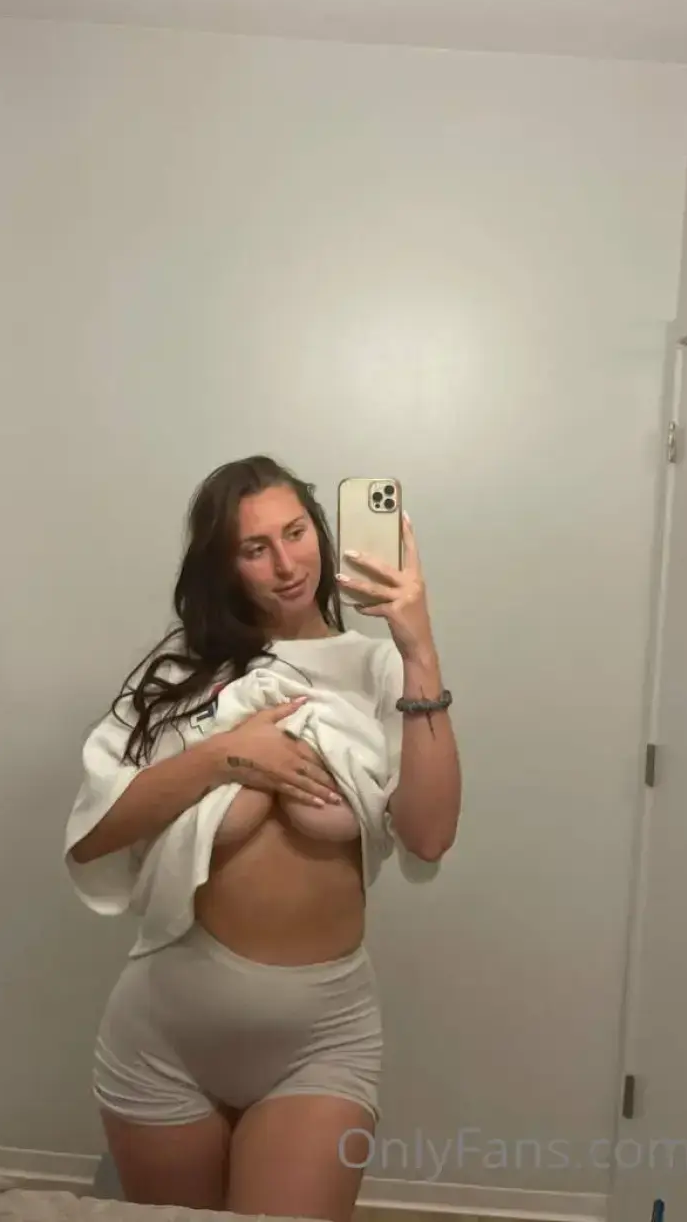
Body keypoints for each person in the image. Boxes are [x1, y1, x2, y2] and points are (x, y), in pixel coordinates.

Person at [64, 455, 461, 1222]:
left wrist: (418, 648)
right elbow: (95, 833)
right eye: (255, 548)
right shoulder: (181, 675)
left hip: (322, 1039)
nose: (285, 565)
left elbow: (430, 835)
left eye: (296, 533)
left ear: (321, 531)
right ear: (226, 567)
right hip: (163, 1035)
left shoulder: (378, 667)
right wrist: (224, 756)